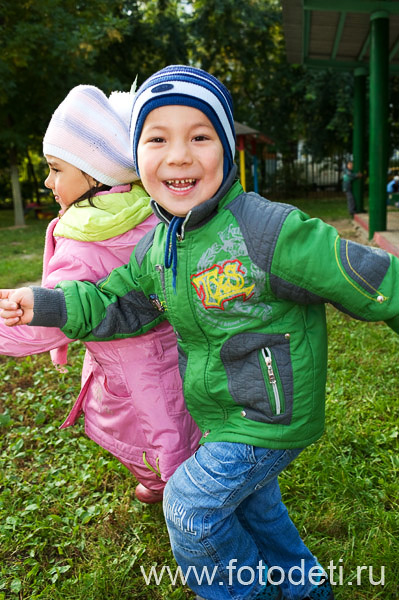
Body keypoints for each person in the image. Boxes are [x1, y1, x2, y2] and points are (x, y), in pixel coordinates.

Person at [1, 65, 399, 599]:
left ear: (227, 148)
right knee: (254, 504)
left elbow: (366, 276)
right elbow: (111, 301)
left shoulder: (267, 230)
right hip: (218, 411)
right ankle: (305, 588)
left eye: (200, 136)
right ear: (136, 159)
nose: (180, 155)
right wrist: (45, 304)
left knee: (190, 506)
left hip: (268, 414)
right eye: (157, 138)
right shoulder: (157, 248)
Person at [0, 83, 201, 505]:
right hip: (175, 355)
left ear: (96, 173)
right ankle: (169, 480)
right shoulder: (146, 210)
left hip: (132, 373)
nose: (47, 180)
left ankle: (183, 499)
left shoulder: (86, 239)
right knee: (176, 425)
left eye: (56, 168)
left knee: (153, 434)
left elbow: (47, 319)